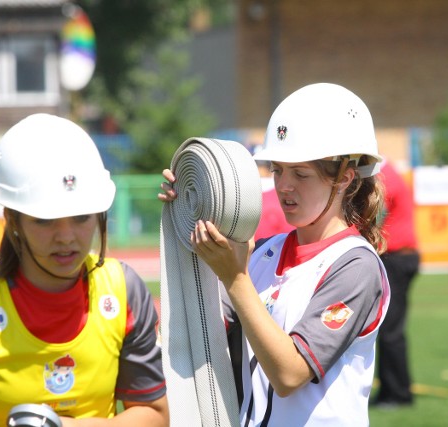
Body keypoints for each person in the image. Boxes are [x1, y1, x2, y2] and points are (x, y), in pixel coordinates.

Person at [159, 83, 391, 426]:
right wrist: (190, 206)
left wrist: (235, 278)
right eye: (277, 170)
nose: (283, 186)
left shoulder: (356, 265)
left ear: (345, 178)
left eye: (300, 174)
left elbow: (289, 375)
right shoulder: (266, 252)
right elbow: (196, 330)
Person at [0, 114, 169, 426]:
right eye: (45, 219)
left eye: (81, 216)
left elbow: (155, 416)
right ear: (12, 220)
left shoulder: (124, 291)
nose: (66, 236)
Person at [372, 159, 420, 408]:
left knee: (390, 330)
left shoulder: (384, 177)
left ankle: (398, 394)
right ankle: (391, 391)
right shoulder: (389, 174)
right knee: (389, 328)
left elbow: (371, 213)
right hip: (399, 256)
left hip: (397, 257)